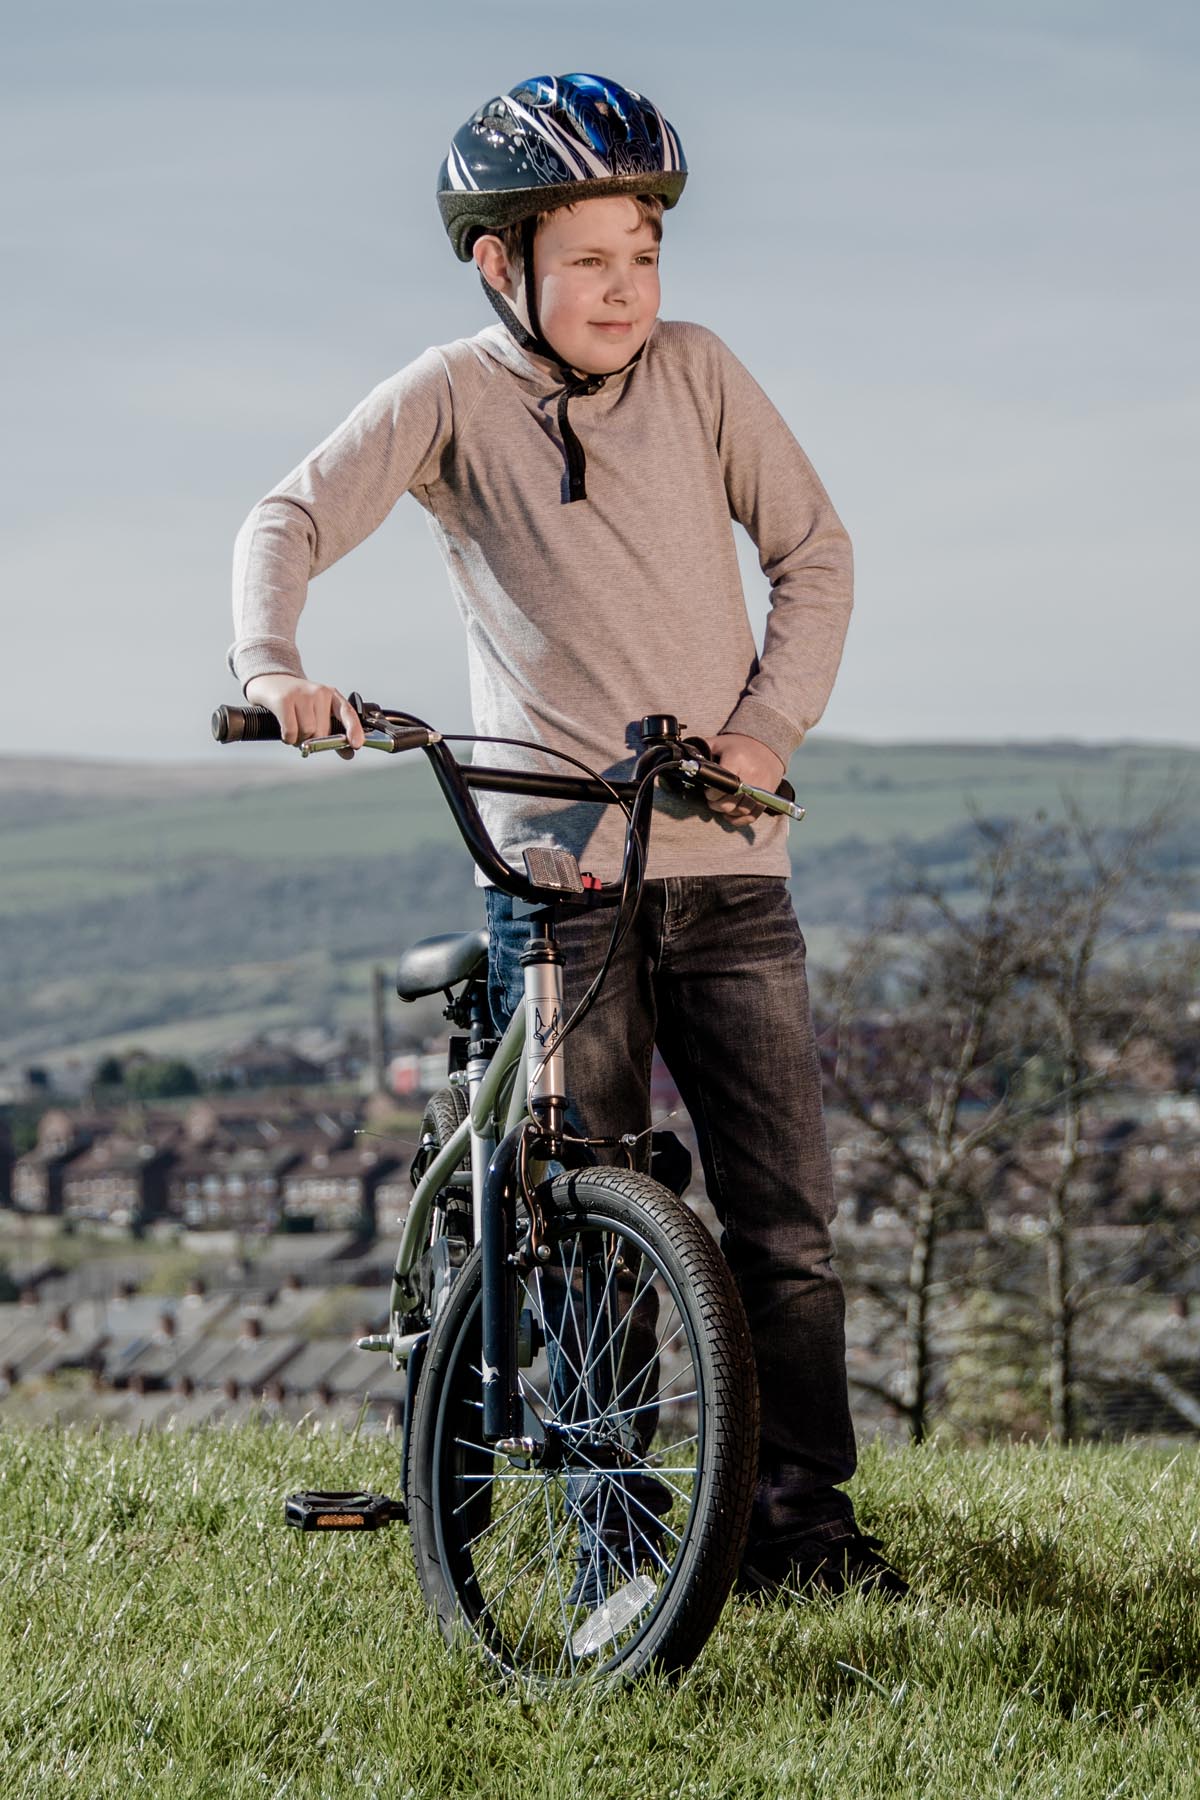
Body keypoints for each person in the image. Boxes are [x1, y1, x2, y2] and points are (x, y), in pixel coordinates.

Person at [229, 72, 905, 1601]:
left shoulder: (705, 374)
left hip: (731, 866)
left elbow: (815, 555)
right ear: (500, 261)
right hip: (563, 880)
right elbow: (287, 517)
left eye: (646, 254)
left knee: (785, 1233)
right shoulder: (452, 394)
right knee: (592, 1223)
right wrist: (275, 671)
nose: (627, 289)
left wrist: (761, 733)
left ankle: (808, 1533)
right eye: (590, 257)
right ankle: (622, 1548)